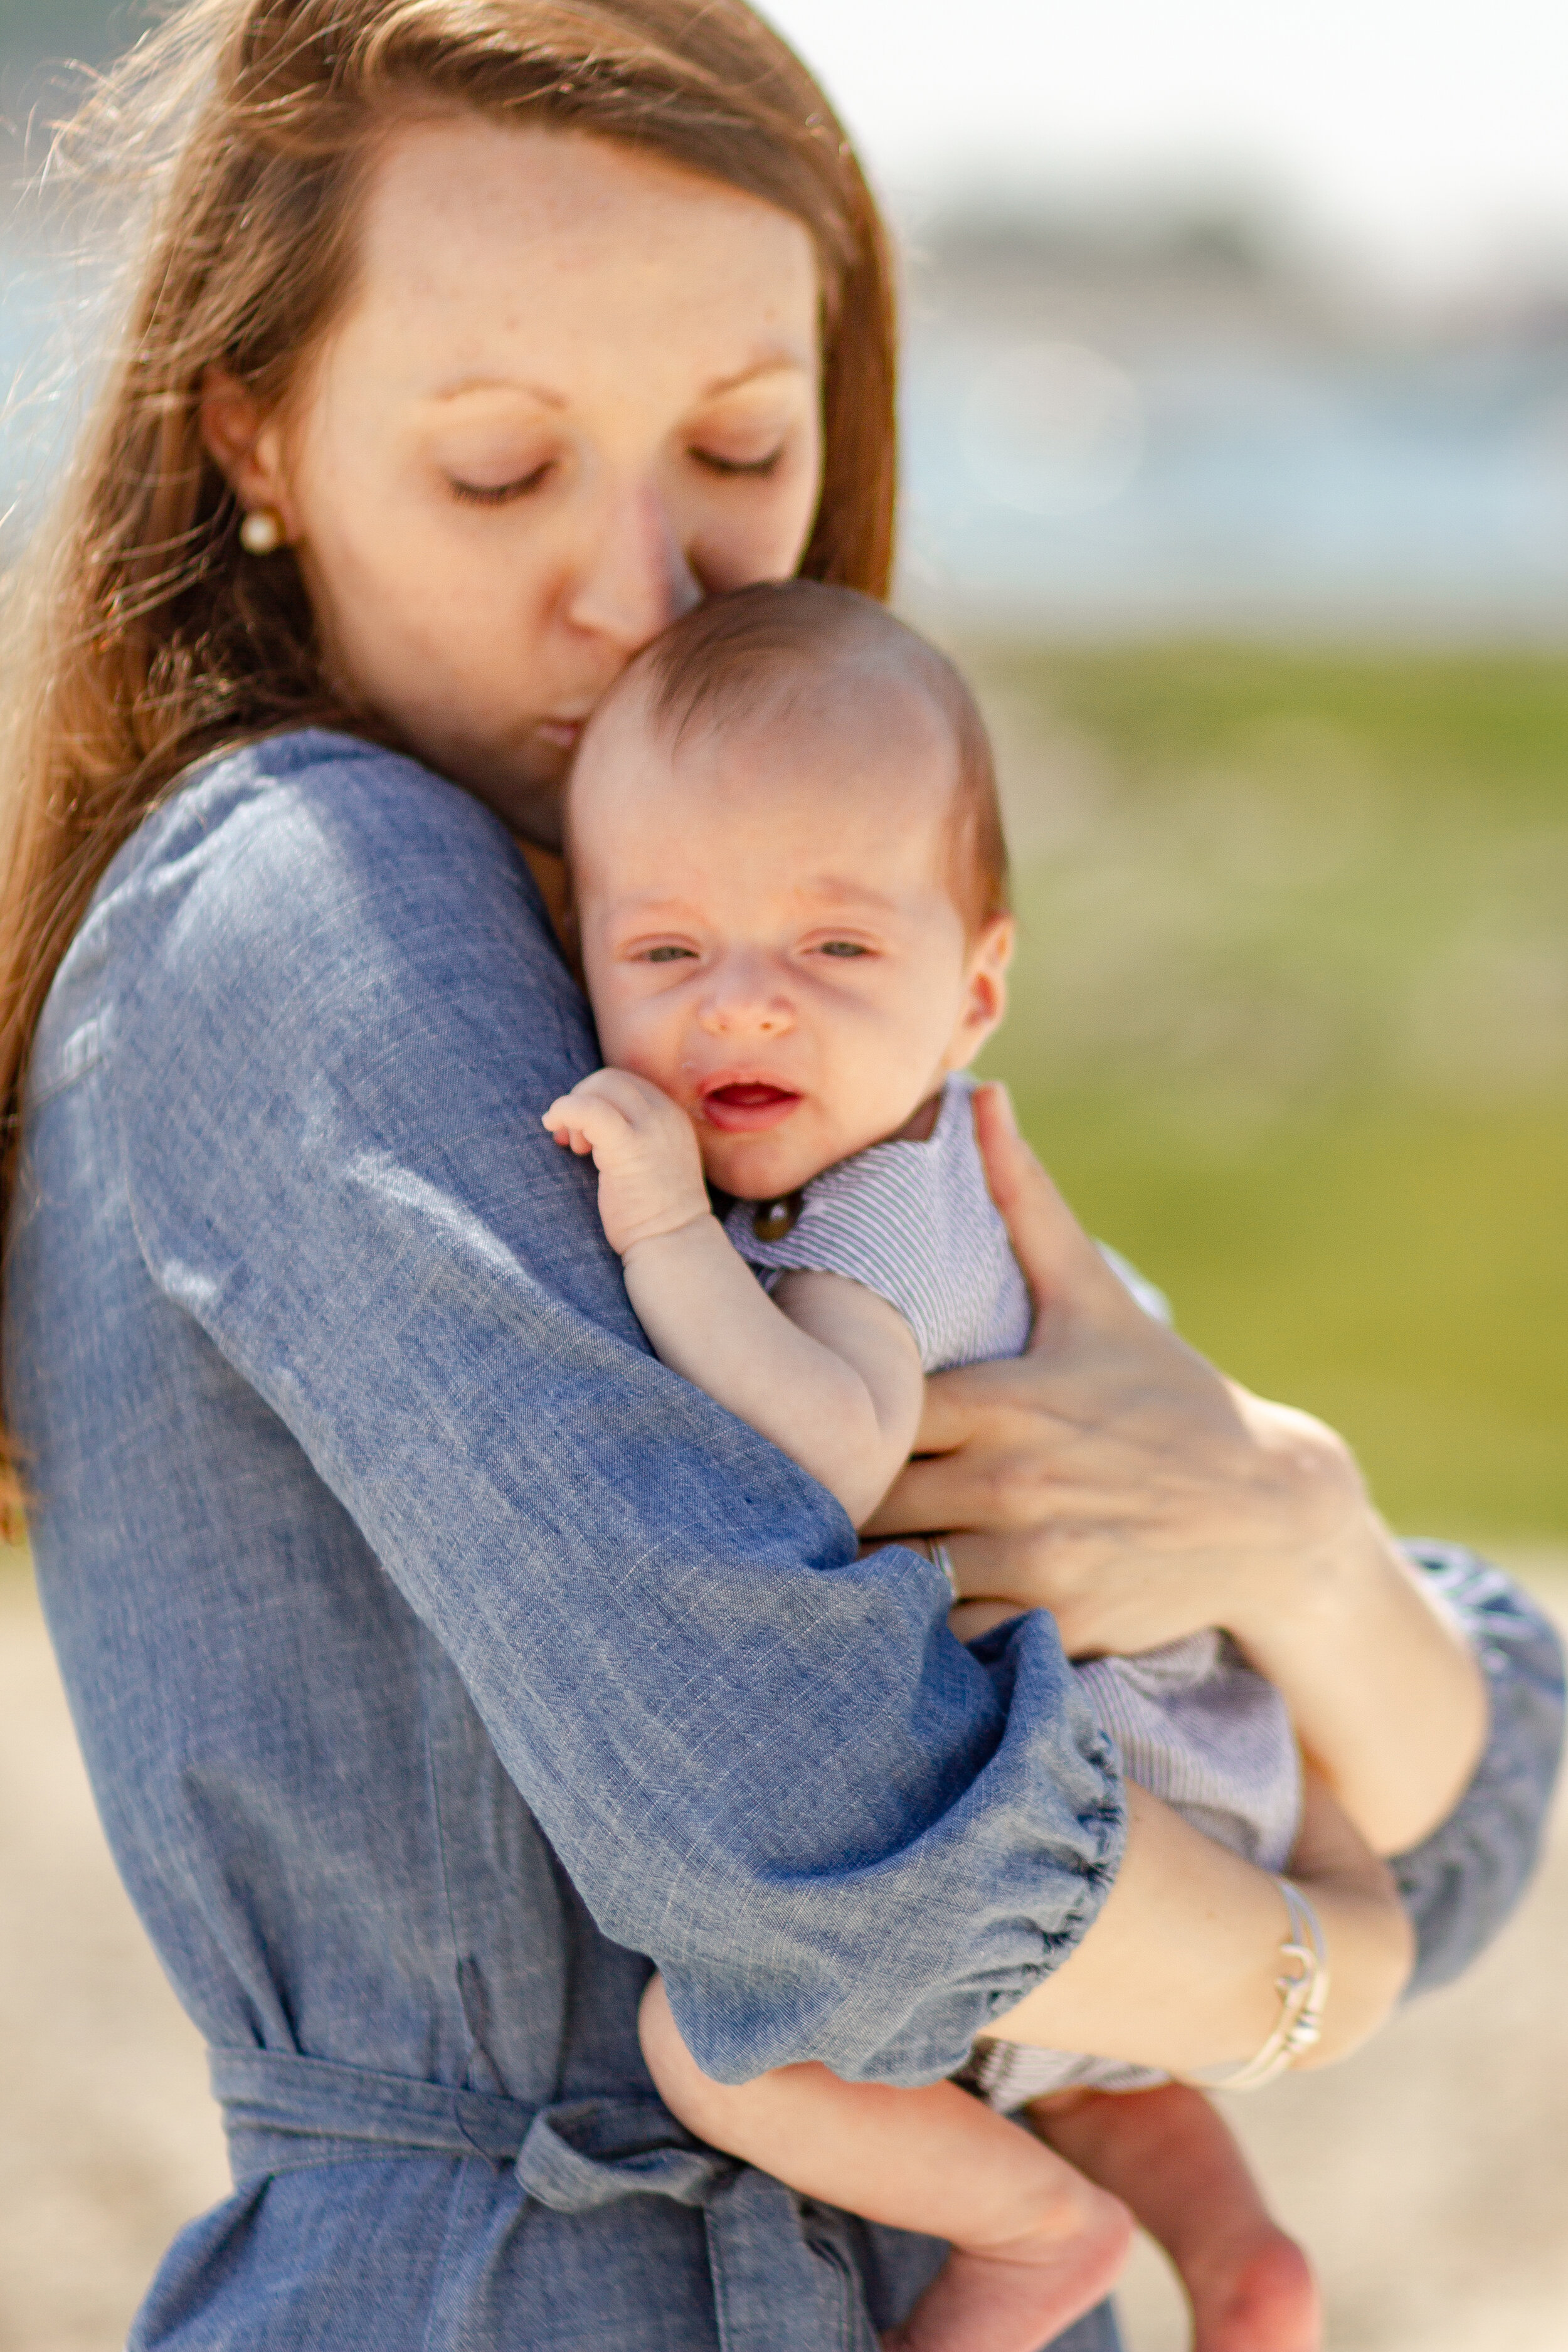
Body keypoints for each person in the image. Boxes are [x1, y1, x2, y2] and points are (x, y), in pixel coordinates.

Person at [0, 6, 1560, 2348]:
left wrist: (1280, 1523)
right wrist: (1315, 1957)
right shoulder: (320, 897)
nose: (647, 593)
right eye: (502, 468)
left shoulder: (697, 964)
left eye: (738, 445)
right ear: (258, 435)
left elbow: (1475, 1783)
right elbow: (829, 1862)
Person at [539, 578, 1496, 2352]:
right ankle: (1240, 2261)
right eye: (667, 954)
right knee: (1098, 2074)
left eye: (834, 955)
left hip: (1118, 1786)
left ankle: (1032, 2241)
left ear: (975, 989)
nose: (743, 1012)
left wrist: (663, 1227)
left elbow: (823, 1448)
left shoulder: (891, 1205)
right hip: (1194, 1774)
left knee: (709, 2037)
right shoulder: (887, 1169)